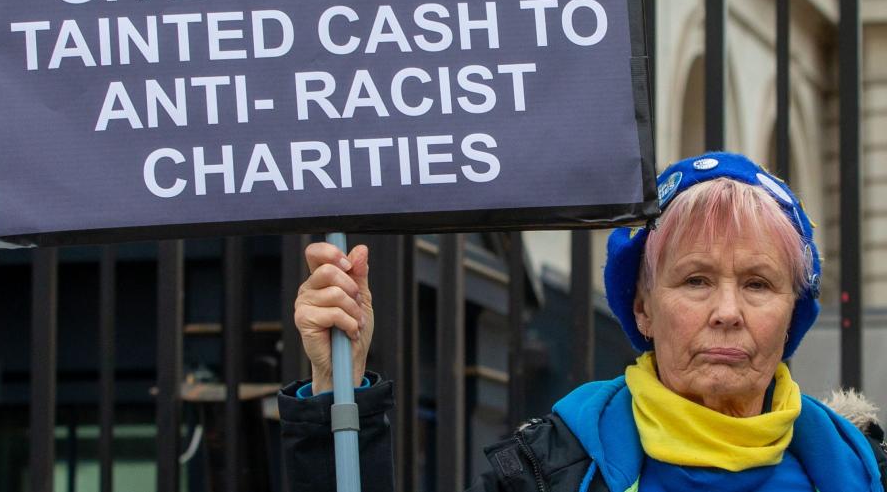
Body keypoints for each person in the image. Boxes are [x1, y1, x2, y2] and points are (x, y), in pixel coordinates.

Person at [281, 153, 887, 490]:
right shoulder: (548, 470)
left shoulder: (865, 470)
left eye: (757, 284)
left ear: (792, 314)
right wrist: (340, 389)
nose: (727, 313)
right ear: (643, 308)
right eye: (696, 280)